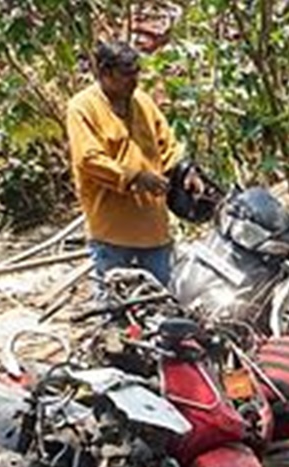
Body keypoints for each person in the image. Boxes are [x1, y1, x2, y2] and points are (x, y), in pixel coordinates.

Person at [64, 40, 199, 286]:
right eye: (126, 75)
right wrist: (135, 177)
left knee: (165, 301)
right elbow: (88, 158)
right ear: (104, 72)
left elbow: (167, 145)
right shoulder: (82, 107)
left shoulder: (143, 102)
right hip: (112, 228)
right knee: (115, 306)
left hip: (153, 226)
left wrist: (186, 171)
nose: (134, 81)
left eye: (136, 73)